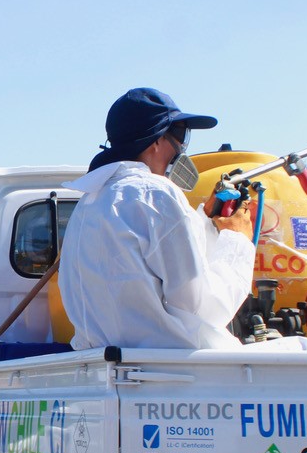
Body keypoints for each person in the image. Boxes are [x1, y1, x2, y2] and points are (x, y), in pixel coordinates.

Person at [59, 87, 256, 350]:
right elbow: (204, 308)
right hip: (170, 372)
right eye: (180, 135)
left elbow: (150, 263)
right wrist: (237, 241)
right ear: (155, 140)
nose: (182, 147)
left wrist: (206, 221)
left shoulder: (89, 203)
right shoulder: (157, 193)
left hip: (110, 367)